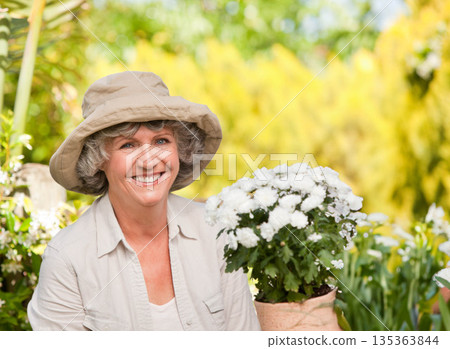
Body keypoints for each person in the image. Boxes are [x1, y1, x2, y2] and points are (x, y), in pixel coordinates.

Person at [27, 71, 260, 331]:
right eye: (128, 145)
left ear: (180, 150)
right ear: (99, 159)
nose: (149, 161)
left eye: (161, 140)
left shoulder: (215, 233)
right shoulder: (67, 258)